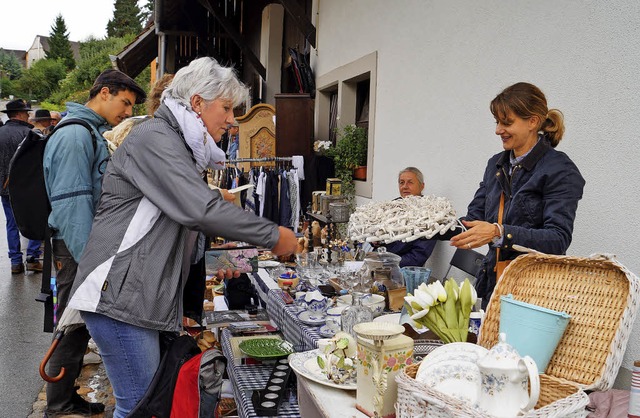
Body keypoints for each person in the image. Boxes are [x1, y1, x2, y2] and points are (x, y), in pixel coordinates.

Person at [67, 57, 297, 417]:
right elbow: (199, 210)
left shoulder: (178, 145)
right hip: (122, 298)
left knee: (146, 402)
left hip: (136, 297)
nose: (232, 120)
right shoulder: (155, 138)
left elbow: (180, 233)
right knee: (139, 405)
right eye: (226, 108)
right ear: (196, 103)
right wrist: (273, 235)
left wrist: (224, 264)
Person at [42, 69, 146, 416]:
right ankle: (58, 405)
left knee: (78, 323)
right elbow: (72, 205)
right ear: (104, 93)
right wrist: (92, 261)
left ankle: (64, 397)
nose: (128, 112)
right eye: (125, 102)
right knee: (71, 324)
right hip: (77, 249)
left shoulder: (93, 132)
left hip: (84, 246)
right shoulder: (75, 136)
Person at [450, 82, 585, 308]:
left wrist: (500, 232)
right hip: (494, 286)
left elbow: (558, 238)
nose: (498, 130)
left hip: (533, 293)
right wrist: (426, 226)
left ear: (532, 121)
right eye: (497, 122)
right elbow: (472, 220)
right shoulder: (496, 164)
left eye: (507, 122)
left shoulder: (560, 169)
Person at [0, 99, 43, 274]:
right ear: (19, 114)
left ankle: (16, 262)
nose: (28, 116)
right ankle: (32, 257)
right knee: (36, 220)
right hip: (28, 188)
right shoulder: (31, 134)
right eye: (26, 113)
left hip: (4, 188)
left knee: (11, 223)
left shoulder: (0, 132)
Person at [384, 167, 436, 267]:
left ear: (422, 186)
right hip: (383, 262)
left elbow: (418, 256)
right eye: (401, 182)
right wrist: (376, 242)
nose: (405, 186)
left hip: (405, 270)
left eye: (410, 182)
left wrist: (388, 264)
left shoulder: (430, 213)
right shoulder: (393, 206)